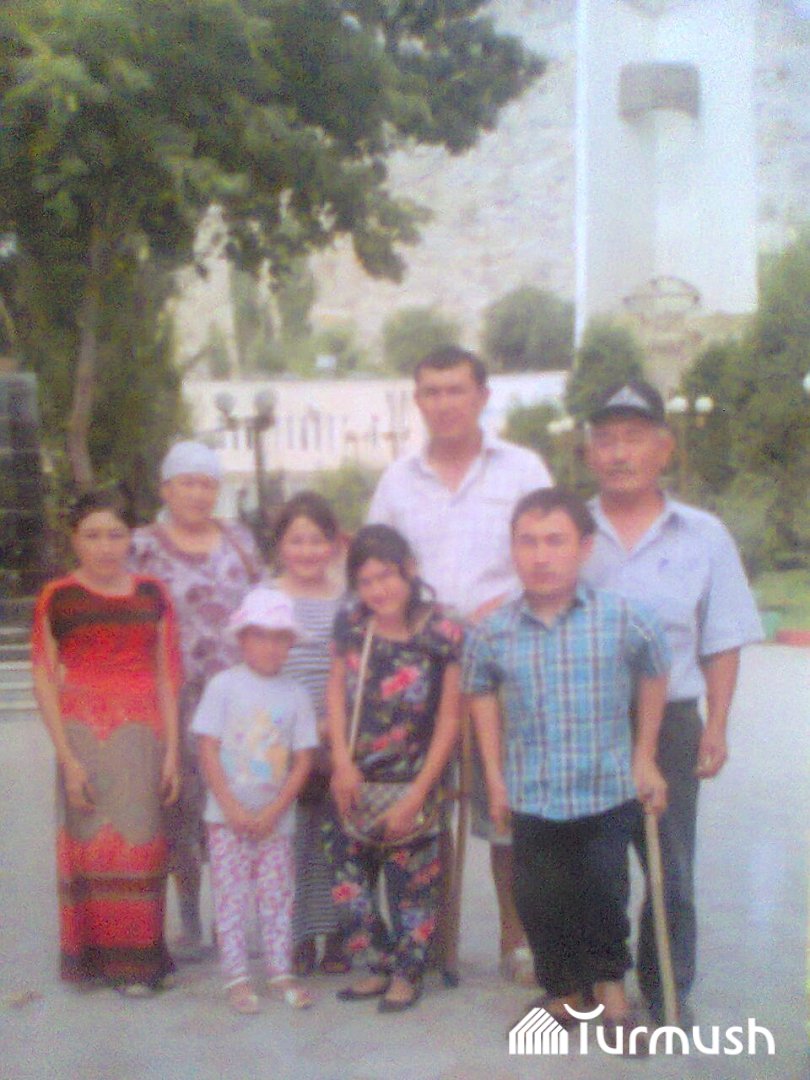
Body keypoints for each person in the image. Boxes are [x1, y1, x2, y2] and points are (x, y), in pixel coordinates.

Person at [367, 345, 552, 985]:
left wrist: (510, 599)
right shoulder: (397, 481)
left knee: (506, 807)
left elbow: (549, 550)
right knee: (427, 806)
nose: (444, 403)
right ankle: (433, 940)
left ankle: (515, 940)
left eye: (456, 390)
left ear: (482, 397)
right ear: (417, 400)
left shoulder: (522, 469)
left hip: (506, 660)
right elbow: (375, 565)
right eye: (431, 391)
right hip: (419, 667)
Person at [581, 380, 764, 1024]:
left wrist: (718, 724)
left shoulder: (703, 535)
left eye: (634, 439)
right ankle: (597, 984)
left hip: (675, 725)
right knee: (592, 859)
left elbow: (722, 637)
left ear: (664, 448)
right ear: (588, 454)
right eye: (606, 440)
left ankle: (666, 987)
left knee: (672, 863)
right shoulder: (569, 531)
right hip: (589, 721)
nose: (619, 453)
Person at [463, 488, 670, 1036]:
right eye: (527, 542)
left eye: (555, 541)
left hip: (604, 789)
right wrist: (494, 778)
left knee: (604, 893)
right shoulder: (492, 630)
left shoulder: (625, 618)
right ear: (513, 549)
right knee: (539, 900)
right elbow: (480, 695)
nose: (541, 555)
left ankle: (611, 992)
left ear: (585, 546)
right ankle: (564, 993)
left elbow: (655, 670)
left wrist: (645, 756)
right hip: (532, 794)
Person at [31, 488, 181, 995]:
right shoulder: (58, 597)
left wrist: (173, 750)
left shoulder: (153, 594)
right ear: (74, 539)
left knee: (141, 844)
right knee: (90, 846)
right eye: (92, 535)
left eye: (116, 535)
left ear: (131, 538)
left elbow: (167, 675)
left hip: (141, 735)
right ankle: (95, 959)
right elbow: (43, 676)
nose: (105, 546)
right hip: (81, 733)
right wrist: (66, 757)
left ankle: (140, 960)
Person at [129, 440, 265, 960]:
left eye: (208, 484)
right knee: (179, 813)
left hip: (236, 702)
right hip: (173, 701)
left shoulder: (239, 540)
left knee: (239, 805)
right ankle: (188, 921)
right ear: (166, 489)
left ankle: (237, 919)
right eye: (187, 483)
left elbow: (264, 609)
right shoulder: (142, 546)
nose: (198, 494)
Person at [325, 525, 463, 1012]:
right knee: (350, 887)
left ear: (410, 570)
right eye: (365, 581)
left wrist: (420, 791)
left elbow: (450, 719)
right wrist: (341, 762)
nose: (377, 590)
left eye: (386, 576)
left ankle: (409, 972)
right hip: (354, 778)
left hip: (414, 781)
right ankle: (378, 965)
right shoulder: (351, 625)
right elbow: (335, 693)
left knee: (414, 888)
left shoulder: (443, 631)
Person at [191, 587, 317, 1014]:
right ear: (242, 638)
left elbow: (303, 759)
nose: (269, 646)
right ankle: (237, 977)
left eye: (280, 637)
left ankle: (280, 970)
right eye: (260, 635)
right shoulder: (223, 686)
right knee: (231, 897)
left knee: (277, 896)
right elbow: (208, 748)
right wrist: (230, 807)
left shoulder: (296, 694)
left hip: (275, 822)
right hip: (226, 818)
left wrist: (276, 810)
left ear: (290, 643)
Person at [270, 492, 348, 976]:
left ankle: (338, 934)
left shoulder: (348, 600)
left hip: (336, 734)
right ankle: (297, 936)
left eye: (317, 540)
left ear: (333, 545)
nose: (307, 551)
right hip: (280, 739)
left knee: (335, 839)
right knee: (290, 843)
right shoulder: (265, 598)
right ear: (280, 544)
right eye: (296, 540)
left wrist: (330, 729)